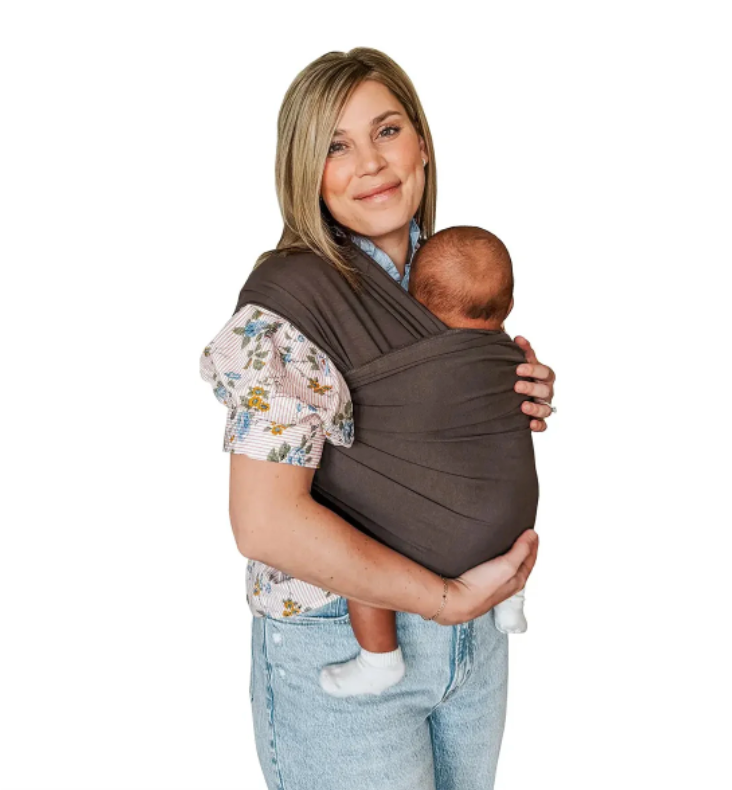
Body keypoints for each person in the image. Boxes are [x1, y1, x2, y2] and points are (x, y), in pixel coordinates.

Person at [200, 48, 555, 790]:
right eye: (336, 145)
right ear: (305, 172)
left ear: (422, 142)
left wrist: (506, 389)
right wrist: (444, 600)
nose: (370, 162)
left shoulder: (458, 274)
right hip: (341, 635)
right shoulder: (290, 308)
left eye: (387, 130)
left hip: (477, 636)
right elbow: (264, 525)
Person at [319, 225, 534, 700]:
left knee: (356, 535)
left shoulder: (409, 355)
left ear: (412, 307)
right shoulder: (513, 356)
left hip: (421, 554)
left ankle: (380, 659)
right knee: (505, 490)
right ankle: (512, 598)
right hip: (510, 529)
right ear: (509, 305)